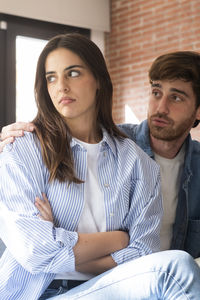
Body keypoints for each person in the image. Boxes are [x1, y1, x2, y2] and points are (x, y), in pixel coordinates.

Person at [0, 35, 200, 300]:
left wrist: (59, 241)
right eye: (51, 77)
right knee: (175, 269)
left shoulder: (135, 161)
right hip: (38, 292)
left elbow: (143, 253)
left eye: (72, 73)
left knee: (176, 268)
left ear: (99, 81)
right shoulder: (22, 146)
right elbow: (35, 252)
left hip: (117, 286)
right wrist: (117, 240)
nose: (61, 86)